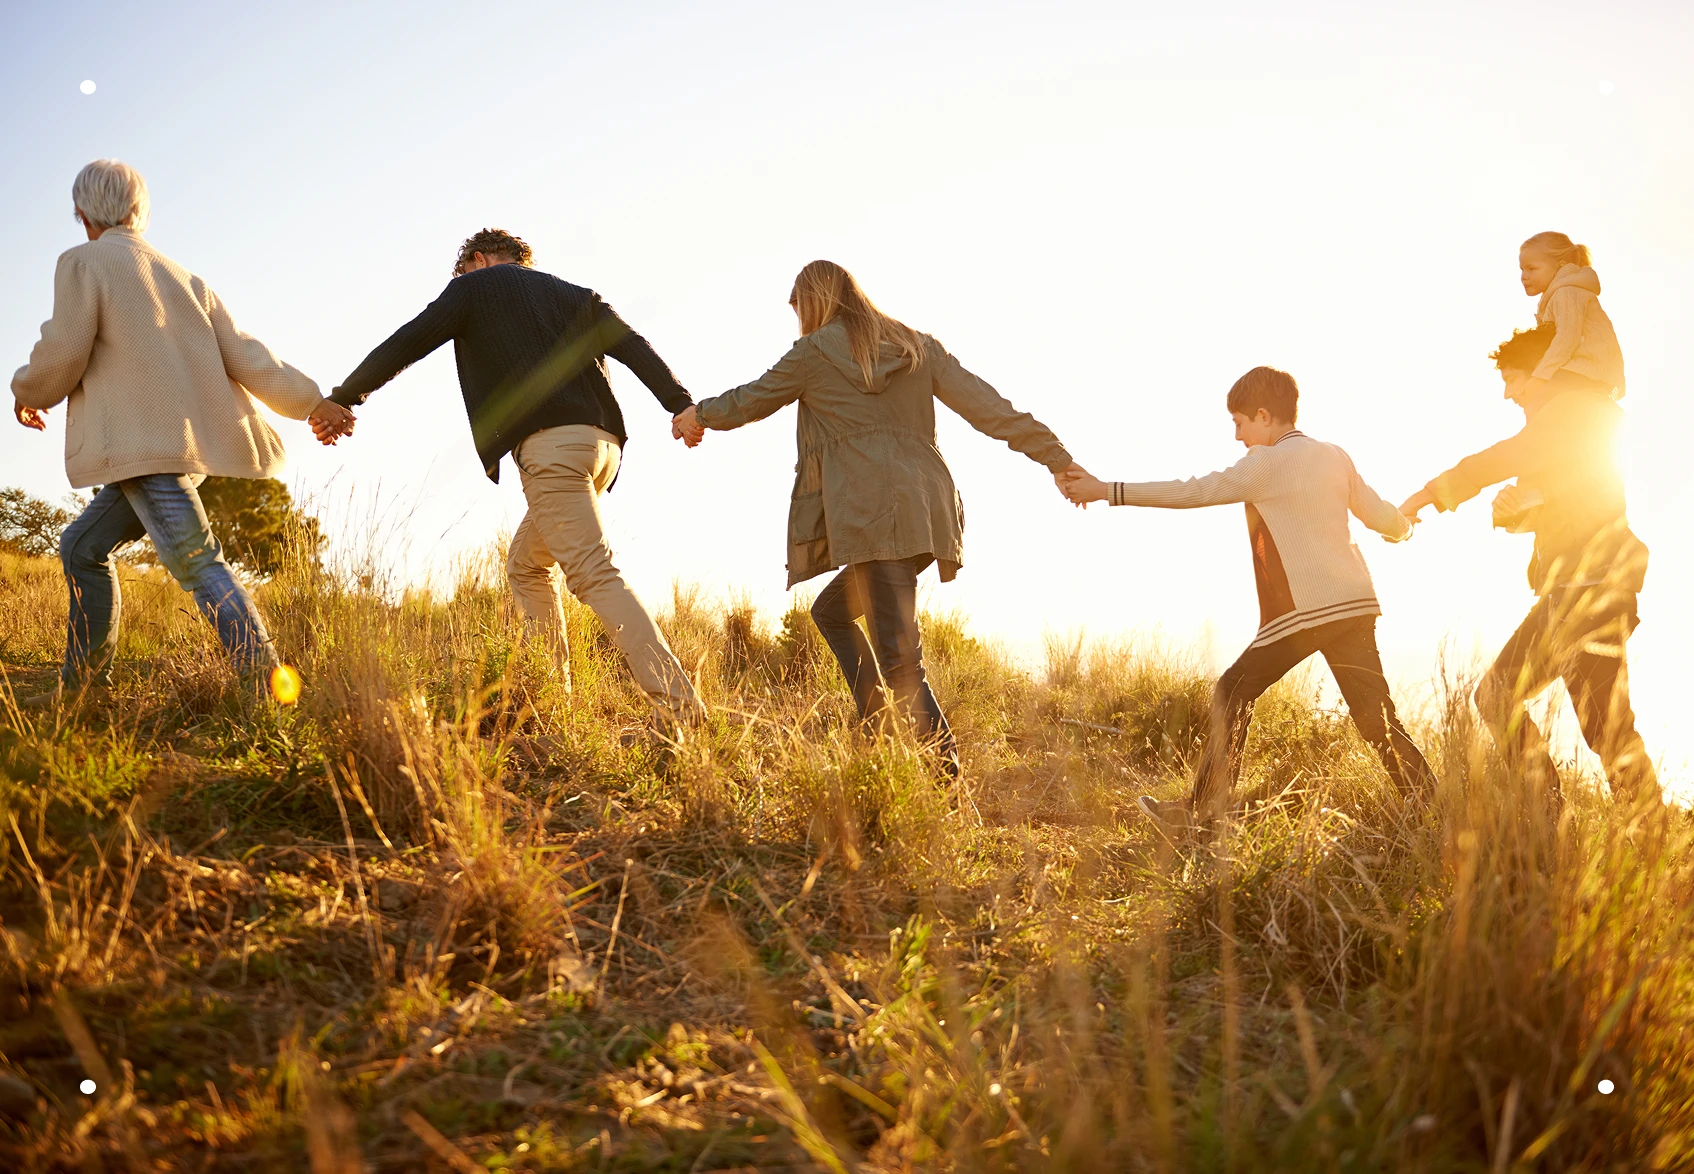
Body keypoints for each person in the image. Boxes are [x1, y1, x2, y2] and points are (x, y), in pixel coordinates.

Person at [671, 259, 1078, 781]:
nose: (798, 321)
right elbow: (989, 408)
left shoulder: (814, 353)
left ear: (812, 302)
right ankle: (880, 733)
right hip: (925, 510)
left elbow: (752, 399)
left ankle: (947, 791)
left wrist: (697, 414)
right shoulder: (916, 345)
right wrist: (1056, 456)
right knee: (834, 614)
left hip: (870, 512)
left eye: (798, 309)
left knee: (902, 661)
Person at [323, 228, 704, 730]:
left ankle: (682, 710)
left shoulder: (474, 288)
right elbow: (633, 346)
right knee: (526, 565)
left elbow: (408, 341)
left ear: (477, 261)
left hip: (552, 447)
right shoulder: (575, 294)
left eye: (462, 272)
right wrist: (679, 404)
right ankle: (553, 701)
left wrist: (346, 396)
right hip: (602, 448)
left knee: (594, 574)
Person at [10, 159, 347, 707]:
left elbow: (62, 349)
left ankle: (265, 689)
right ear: (138, 209)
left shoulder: (85, 262)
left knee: (196, 561)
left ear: (82, 212)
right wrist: (312, 401)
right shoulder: (183, 277)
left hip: (140, 447)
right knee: (81, 546)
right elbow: (247, 353)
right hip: (175, 448)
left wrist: (27, 391)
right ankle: (83, 689)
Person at [1060, 367, 1433, 830]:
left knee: (1231, 691)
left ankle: (1199, 817)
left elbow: (1192, 492)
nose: (1237, 437)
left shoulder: (1267, 463)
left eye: (1240, 423)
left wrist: (1105, 491)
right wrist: (1407, 525)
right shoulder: (1334, 455)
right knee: (1378, 722)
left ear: (1263, 415)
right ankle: (1432, 812)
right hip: (1355, 606)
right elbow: (1383, 518)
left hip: (1308, 612)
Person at [1400, 324, 1658, 806]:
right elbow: (1576, 501)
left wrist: (1432, 494)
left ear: (1545, 370)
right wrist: (1519, 512)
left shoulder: (1570, 411)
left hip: (1590, 589)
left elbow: (1507, 458)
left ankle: (1557, 808)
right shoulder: (1569, 423)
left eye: (1514, 379)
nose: (1508, 392)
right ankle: (1605, 818)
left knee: (1517, 700)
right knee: (1601, 726)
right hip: (1582, 589)